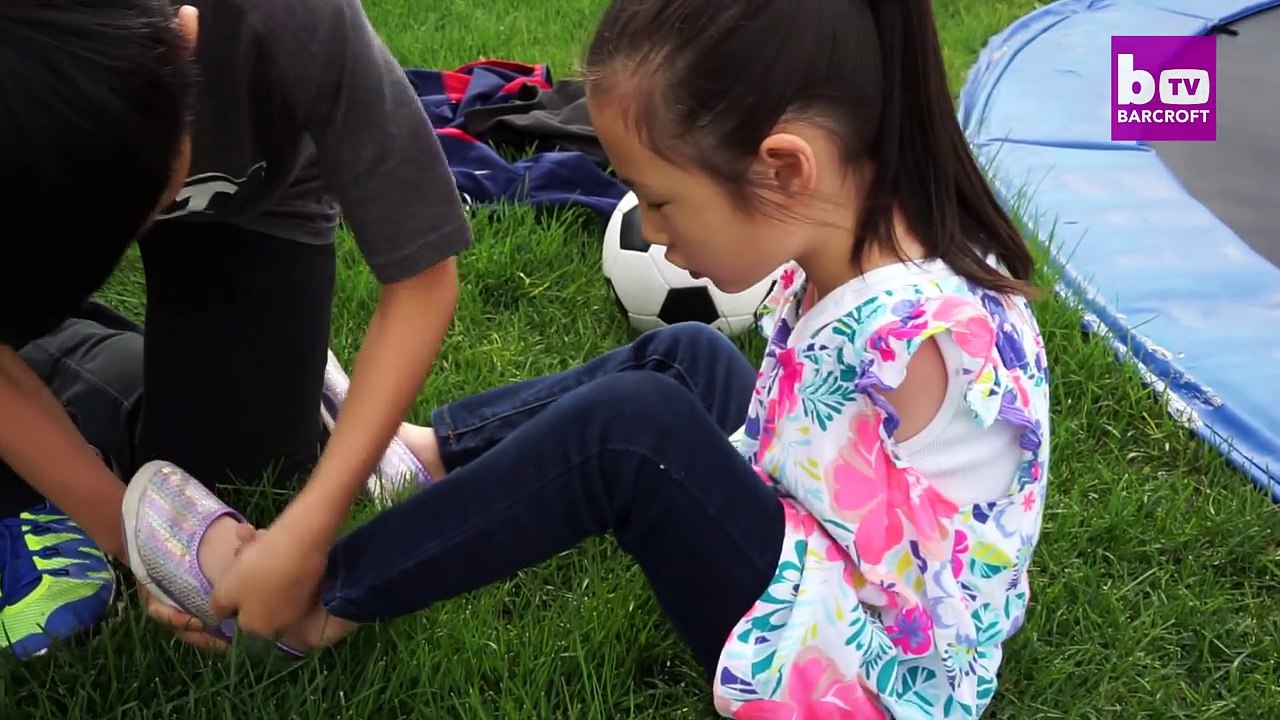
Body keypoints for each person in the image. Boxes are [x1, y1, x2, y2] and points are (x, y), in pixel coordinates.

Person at [122, 0, 1052, 716]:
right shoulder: (891, 249)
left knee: (632, 437)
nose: (649, 230)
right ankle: (420, 457)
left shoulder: (917, 335)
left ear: (785, 168)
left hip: (869, 678)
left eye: (662, 200)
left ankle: (321, 601)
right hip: (839, 558)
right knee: (687, 354)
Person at [0, 0, 467, 655]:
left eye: (142, 202)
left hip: (254, 203)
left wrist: (310, 527)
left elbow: (422, 281)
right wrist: (134, 533)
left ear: (184, 43)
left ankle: (286, 377)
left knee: (246, 466)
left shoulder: (291, 20)